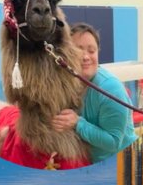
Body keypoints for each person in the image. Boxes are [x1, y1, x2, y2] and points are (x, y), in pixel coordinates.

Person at [52, 23, 138, 164]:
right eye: (78, 50)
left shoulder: (111, 88)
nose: (85, 57)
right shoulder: (70, 83)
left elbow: (113, 142)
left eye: (92, 51)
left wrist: (77, 123)